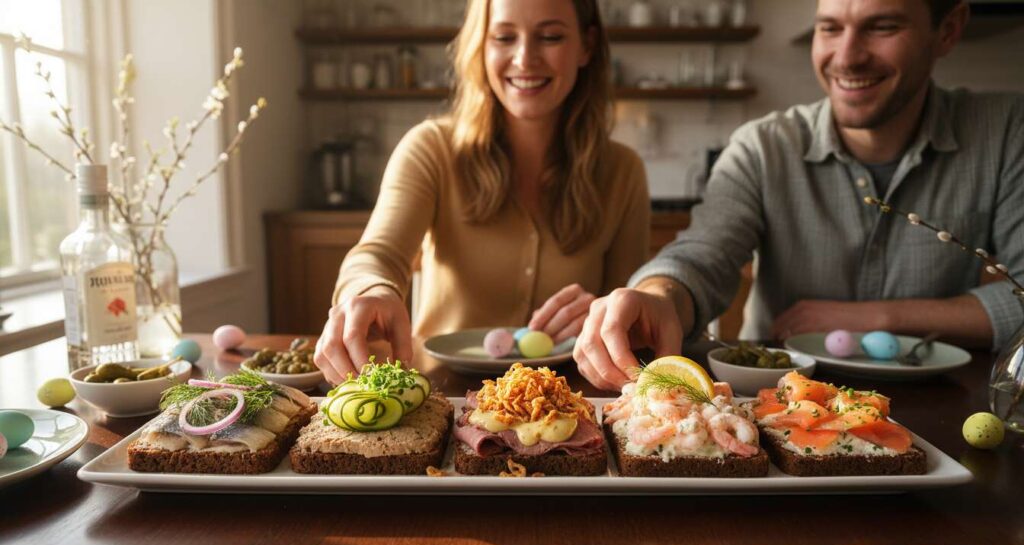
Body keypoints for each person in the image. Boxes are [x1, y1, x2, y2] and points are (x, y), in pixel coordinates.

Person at [575, 0, 1024, 390]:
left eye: (882, 26)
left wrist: (874, 318)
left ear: (947, 30)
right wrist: (657, 296)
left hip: (942, 407)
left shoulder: (1005, 133)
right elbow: (699, 256)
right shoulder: (763, 146)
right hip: (775, 404)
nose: (846, 57)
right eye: (829, 28)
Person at [315, 0, 650, 384]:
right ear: (482, 46)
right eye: (504, 37)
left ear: (587, 46)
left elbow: (632, 311)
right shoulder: (430, 148)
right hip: (441, 393)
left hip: (570, 399)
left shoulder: (624, 171)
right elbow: (377, 254)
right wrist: (373, 289)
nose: (525, 59)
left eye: (551, 37)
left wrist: (609, 315)